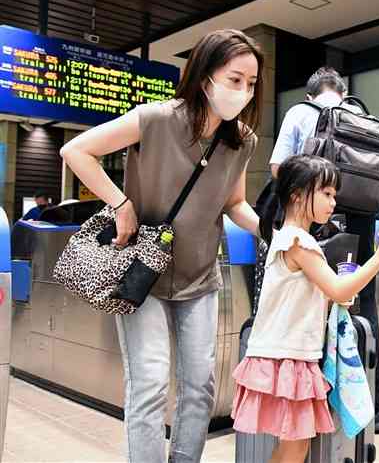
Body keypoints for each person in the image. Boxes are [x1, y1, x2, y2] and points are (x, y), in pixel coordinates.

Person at [61, 29, 264, 463]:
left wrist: (272, 228)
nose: (243, 92)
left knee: (201, 385)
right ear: (205, 75)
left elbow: (235, 202)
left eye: (251, 84)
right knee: (150, 383)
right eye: (234, 80)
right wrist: (120, 203)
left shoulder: (241, 140)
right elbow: (76, 150)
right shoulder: (155, 119)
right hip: (141, 276)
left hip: (200, 276)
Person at [231, 154, 379, 463]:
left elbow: (315, 294)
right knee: (295, 446)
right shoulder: (300, 242)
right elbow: (338, 288)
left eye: (334, 194)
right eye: (326, 193)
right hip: (288, 357)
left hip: (282, 355)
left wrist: (332, 296)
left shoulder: (285, 237)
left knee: (293, 445)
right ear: (297, 195)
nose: (333, 202)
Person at [267, 66, 379, 434]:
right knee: (361, 302)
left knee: (313, 302)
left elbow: (279, 169)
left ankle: (316, 404)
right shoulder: (362, 117)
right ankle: (376, 407)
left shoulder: (299, 113)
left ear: (310, 94)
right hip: (362, 222)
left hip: (319, 218)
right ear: (342, 92)